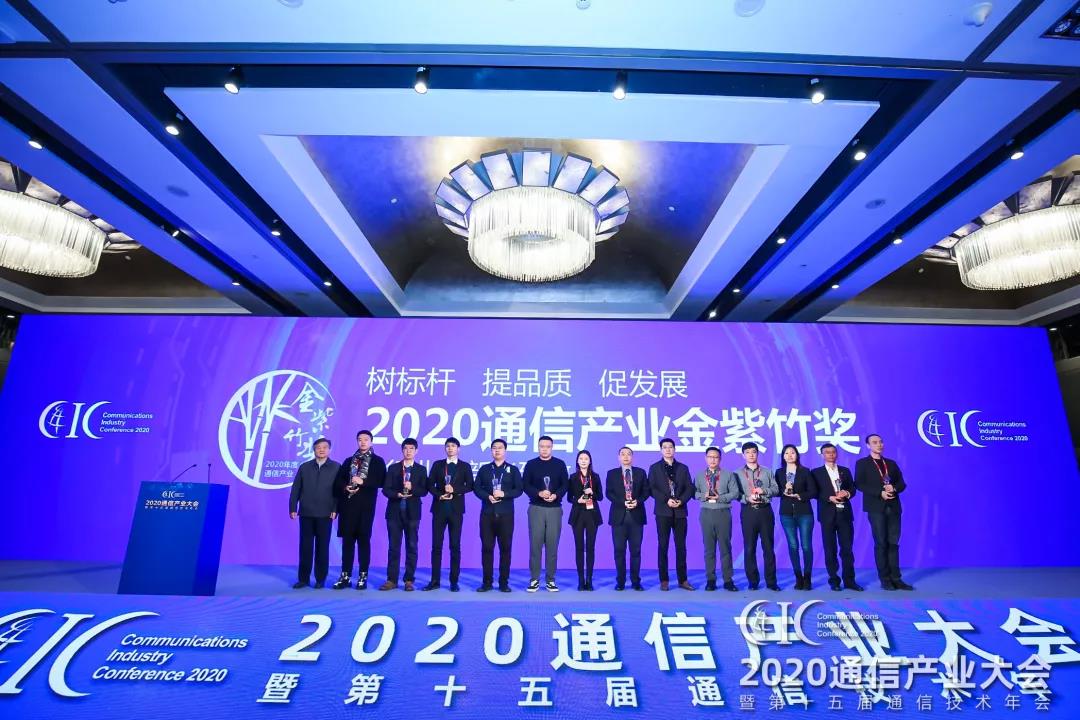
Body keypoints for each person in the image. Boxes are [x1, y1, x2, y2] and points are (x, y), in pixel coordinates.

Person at [854, 434, 913, 591]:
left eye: (880, 442)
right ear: (868, 445)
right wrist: (879, 493)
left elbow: (902, 483)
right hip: (876, 508)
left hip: (894, 507)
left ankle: (897, 578)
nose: (879, 444)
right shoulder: (862, 463)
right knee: (881, 543)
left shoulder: (891, 463)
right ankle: (885, 579)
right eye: (874, 442)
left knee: (893, 543)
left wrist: (894, 488)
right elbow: (859, 484)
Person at [332, 430, 387, 591]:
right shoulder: (349, 460)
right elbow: (338, 482)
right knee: (347, 543)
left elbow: (381, 481)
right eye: (360, 439)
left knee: (363, 541)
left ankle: (363, 576)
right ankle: (345, 576)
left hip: (365, 508)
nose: (362, 442)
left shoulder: (377, 461)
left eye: (366, 439)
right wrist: (346, 486)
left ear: (371, 441)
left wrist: (363, 482)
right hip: (348, 507)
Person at [422, 437, 474, 592]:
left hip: (456, 510)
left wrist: (455, 490)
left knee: (455, 546)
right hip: (439, 509)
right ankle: (435, 580)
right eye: (448, 446)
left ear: (458, 449)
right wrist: (439, 495)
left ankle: (454, 581)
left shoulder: (464, 466)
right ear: (445, 449)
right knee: (436, 546)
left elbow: (470, 486)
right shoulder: (438, 464)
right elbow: (429, 484)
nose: (450, 448)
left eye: (453, 446)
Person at [289, 437, 340, 589]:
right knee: (305, 547)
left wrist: (335, 509)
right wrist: (293, 507)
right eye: (318, 447)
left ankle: (320, 579)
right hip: (306, 513)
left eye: (325, 447)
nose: (321, 450)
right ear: (314, 450)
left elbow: (338, 491)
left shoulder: (336, 467)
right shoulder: (304, 467)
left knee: (322, 548)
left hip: (325, 514)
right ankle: (303, 579)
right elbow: (296, 489)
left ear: (329, 450)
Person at [473, 439, 523, 592]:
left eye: (500, 448)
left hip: (506, 515)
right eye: (494, 448)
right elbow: (476, 488)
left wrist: (504, 494)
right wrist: (487, 496)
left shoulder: (513, 470)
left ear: (505, 450)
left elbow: (519, 490)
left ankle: (503, 582)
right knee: (487, 548)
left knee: (505, 549)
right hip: (487, 514)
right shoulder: (485, 469)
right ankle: (487, 582)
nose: (497, 450)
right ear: (491, 451)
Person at [811, 443, 862, 591]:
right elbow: (814, 492)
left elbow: (853, 488)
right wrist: (829, 497)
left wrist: (847, 493)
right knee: (830, 549)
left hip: (845, 514)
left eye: (833, 452)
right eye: (827, 452)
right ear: (822, 455)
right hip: (827, 515)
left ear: (837, 454)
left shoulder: (845, 471)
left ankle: (850, 581)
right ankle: (834, 580)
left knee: (847, 549)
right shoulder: (816, 472)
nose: (831, 454)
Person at [379, 438, 428, 592]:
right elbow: (385, 489)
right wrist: (397, 494)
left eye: (411, 448)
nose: (408, 451)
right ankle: (391, 580)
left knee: (412, 546)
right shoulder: (393, 468)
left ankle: (409, 580)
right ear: (402, 450)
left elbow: (424, 491)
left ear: (416, 451)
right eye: (406, 448)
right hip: (394, 512)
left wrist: (412, 488)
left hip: (413, 513)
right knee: (394, 547)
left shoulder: (421, 470)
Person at [648, 438, 695, 591]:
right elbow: (652, 488)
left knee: (681, 547)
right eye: (665, 447)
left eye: (670, 447)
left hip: (680, 512)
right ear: (661, 450)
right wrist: (666, 500)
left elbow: (689, 488)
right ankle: (664, 580)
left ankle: (683, 580)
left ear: (674, 449)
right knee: (663, 546)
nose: (668, 449)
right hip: (663, 511)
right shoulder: (655, 468)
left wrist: (681, 500)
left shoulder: (683, 468)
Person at [522, 435, 568, 593]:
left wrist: (556, 495)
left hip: (554, 509)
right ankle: (534, 579)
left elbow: (565, 485)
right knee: (535, 545)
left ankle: (551, 580)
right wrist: (539, 493)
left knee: (552, 546)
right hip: (536, 508)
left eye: (548, 446)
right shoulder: (531, 464)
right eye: (542, 446)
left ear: (552, 447)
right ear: (538, 447)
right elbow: (525, 485)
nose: (545, 449)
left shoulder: (559, 464)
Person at [695, 446, 741, 591]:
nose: (713, 460)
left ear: (720, 459)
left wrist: (720, 498)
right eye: (710, 457)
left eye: (715, 457)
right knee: (709, 549)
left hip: (723, 512)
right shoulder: (699, 475)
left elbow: (735, 493)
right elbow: (694, 493)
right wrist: (704, 496)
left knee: (725, 548)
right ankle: (710, 580)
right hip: (706, 513)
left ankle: (728, 580)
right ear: (706, 458)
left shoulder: (728, 474)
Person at [735, 441, 779, 591]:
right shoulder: (737, 473)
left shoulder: (767, 471)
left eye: (753, 452)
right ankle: (753, 581)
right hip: (748, 511)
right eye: (747, 452)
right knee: (749, 548)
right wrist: (747, 498)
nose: (751, 455)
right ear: (743, 455)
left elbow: (776, 489)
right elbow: (735, 493)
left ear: (757, 453)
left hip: (765, 510)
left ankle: (771, 582)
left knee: (768, 548)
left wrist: (764, 491)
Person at [605, 446, 649, 591]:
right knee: (619, 551)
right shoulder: (612, 473)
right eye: (622, 454)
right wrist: (622, 502)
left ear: (632, 457)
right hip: (619, 517)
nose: (625, 457)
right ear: (618, 457)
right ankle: (621, 582)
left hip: (636, 517)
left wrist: (638, 501)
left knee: (636, 551)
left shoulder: (641, 472)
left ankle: (636, 582)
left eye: (628, 454)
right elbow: (609, 493)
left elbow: (646, 492)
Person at [776, 444, 817, 591]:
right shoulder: (779, 472)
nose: (789, 455)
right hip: (786, 513)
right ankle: (798, 577)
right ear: (783, 456)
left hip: (804, 512)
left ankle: (808, 577)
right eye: (786, 453)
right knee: (793, 546)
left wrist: (800, 495)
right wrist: (784, 490)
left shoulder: (805, 471)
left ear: (797, 455)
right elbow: (775, 491)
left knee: (806, 546)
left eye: (792, 452)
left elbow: (813, 491)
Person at [568, 450, 604, 591]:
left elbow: (600, 497)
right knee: (579, 548)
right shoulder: (572, 477)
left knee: (590, 547)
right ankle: (580, 580)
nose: (583, 461)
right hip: (577, 515)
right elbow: (569, 498)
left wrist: (592, 493)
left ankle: (589, 580)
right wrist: (578, 500)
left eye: (586, 459)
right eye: (581, 458)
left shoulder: (595, 477)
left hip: (592, 515)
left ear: (590, 461)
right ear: (577, 461)